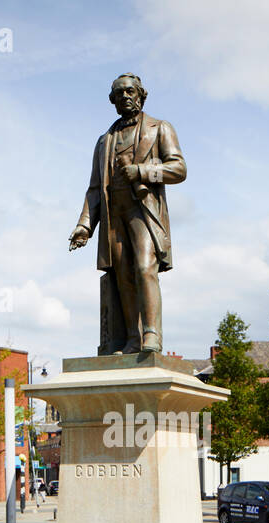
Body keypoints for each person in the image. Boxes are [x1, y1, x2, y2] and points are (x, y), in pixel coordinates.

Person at [69, 73, 186, 354]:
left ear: (141, 95)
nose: (125, 96)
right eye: (118, 94)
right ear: (112, 101)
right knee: (122, 277)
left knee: (145, 268)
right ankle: (133, 339)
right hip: (114, 214)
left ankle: (151, 334)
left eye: (130, 91)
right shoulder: (104, 142)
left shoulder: (160, 128)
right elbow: (95, 188)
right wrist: (85, 225)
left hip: (143, 211)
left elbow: (179, 168)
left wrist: (143, 171)